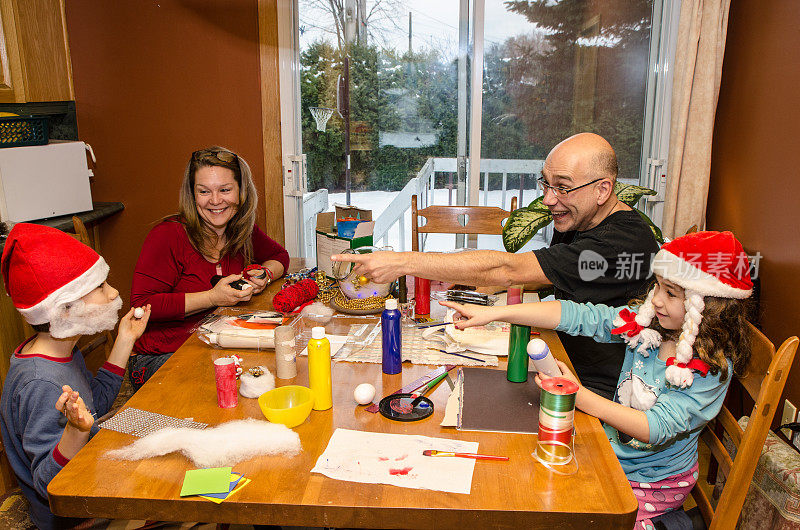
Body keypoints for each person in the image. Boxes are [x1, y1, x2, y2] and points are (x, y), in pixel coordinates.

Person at [441, 231, 753, 529]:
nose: (656, 300)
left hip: (653, 482)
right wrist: (496, 315)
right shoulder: (648, 326)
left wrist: (580, 396)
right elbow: (579, 316)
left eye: (670, 294)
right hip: (612, 454)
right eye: (657, 287)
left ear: (708, 308)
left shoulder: (707, 367)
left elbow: (654, 428)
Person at [333, 133, 660, 398]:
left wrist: (402, 262)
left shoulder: (618, 245)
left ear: (603, 189)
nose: (548, 199)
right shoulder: (582, 221)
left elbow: (509, 269)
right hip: (559, 357)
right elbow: (564, 275)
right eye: (545, 183)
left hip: (604, 388)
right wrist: (484, 287)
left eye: (562, 187)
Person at [0, 223, 151, 529]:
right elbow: (50, 486)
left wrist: (125, 340)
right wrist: (76, 432)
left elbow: (94, 406)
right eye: (100, 287)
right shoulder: (41, 384)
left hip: (90, 482)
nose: (114, 293)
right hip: (77, 517)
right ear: (65, 310)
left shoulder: (60, 350)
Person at [130, 146, 290, 390]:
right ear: (192, 195)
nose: (215, 201)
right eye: (204, 191)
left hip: (216, 344)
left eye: (225, 190)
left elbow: (279, 256)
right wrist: (212, 298)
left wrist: (265, 275)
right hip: (161, 357)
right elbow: (141, 305)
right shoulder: (167, 235)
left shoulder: (240, 229)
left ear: (241, 191)